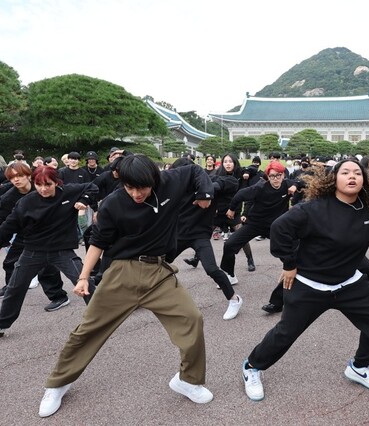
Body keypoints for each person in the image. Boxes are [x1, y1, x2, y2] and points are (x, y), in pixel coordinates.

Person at [37, 154, 215, 418]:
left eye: (141, 188)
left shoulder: (171, 182)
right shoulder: (113, 204)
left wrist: (205, 193)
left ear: (154, 179)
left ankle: (188, 380)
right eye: (129, 187)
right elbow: (98, 242)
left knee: (192, 318)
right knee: (88, 328)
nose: (135, 194)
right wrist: (84, 276)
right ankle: (58, 383)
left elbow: (194, 171)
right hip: (122, 271)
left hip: (159, 272)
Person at [241, 159, 369, 401]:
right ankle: (251, 367)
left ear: (364, 180)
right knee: (285, 333)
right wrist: (289, 265)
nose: (352, 176)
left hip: (348, 283)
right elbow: (279, 229)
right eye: (345, 173)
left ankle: (360, 367)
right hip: (310, 285)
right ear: (334, 179)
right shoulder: (313, 208)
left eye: (357, 173)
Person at [0, 166, 97, 337]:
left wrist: (85, 199)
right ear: (34, 183)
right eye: (39, 185)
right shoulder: (26, 202)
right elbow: (9, 225)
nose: (43, 189)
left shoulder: (68, 192)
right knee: (14, 288)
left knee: (85, 281)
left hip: (62, 251)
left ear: (56, 182)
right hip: (32, 252)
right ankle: (2, 324)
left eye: (48, 184)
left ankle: (103, 317)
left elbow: (93, 186)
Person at [166, 158, 242, 320]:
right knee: (160, 264)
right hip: (178, 235)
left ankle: (234, 300)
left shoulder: (208, 181)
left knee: (212, 269)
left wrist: (207, 191)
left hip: (199, 234)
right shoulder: (173, 187)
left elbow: (232, 182)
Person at [0, 163, 69, 310]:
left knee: (46, 267)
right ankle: (11, 289)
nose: (16, 180)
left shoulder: (41, 185)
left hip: (47, 234)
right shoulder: (8, 198)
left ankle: (59, 296)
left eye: (19, 176)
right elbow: (4, 221)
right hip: (24, 234)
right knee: (9, 262)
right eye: (12, 178)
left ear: (28, 176)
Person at [219, 161, 296, 283]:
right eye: (272, 176)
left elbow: (304, 183)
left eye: (278, 175)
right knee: (229, 245)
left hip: (275, 227)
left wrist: (296, 186)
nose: (275, 179)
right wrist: (232, 209)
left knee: (292, 248)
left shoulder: (288, 185)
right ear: (268, 177)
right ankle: (229, 275)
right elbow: (240, 194)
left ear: (283, 175)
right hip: (255, 224)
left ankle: (296, 273)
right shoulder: (260, 188)